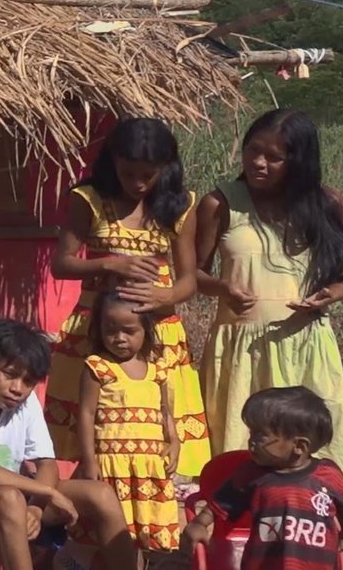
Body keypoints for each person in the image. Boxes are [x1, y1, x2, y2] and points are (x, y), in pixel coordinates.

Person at [194, 108, 343, 484]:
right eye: (253, 150)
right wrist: (223, 287)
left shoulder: (329, 205)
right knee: (239, 451)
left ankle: (316, 525)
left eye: (274, 157)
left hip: (307, 348)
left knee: (311, 451)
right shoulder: (220, 204)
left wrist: (328, 294)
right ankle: (237, 533)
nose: (259, 163)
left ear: (298, 162)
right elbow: (195, 275)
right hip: (241, 351)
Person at [44, 118, 210, 478]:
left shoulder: (180, 206)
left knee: (152, 423)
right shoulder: (88, 199)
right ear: (112, 163)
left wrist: (163, 294)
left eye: (147, 175)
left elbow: (188, 281)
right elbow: (62, 264)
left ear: (166, 169)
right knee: (95, 421)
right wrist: (110, 264)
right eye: (128, 173)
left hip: (156, 332)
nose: (137, 183)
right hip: (96, 329)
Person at [0, 319, 138, 570]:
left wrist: (36, 508)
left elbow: (47, 464)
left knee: (100, 494)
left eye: (28, 381)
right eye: (9, 375)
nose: (18, 388)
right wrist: (47, 493)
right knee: (10, 498)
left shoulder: (26, 402)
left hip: (18, 492)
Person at [182, 386, 343, 570]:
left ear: (299, 446)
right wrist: (199, 523)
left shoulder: (329, 475)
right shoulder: (251, 475)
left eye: (261, 435)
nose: (251, 440)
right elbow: (219, 504)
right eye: (251, 432)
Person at [76, 292, 180, 558]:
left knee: (141, 535)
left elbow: (165, 411)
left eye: (128, 330)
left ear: (146, 330)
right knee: (107, 534)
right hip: (111, 465)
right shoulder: (98, 368)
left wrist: (174, 442)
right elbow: (86, 415)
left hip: (147, 466)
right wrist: (89, 462)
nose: (119, 338)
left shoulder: (158, 371)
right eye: (110, 330)